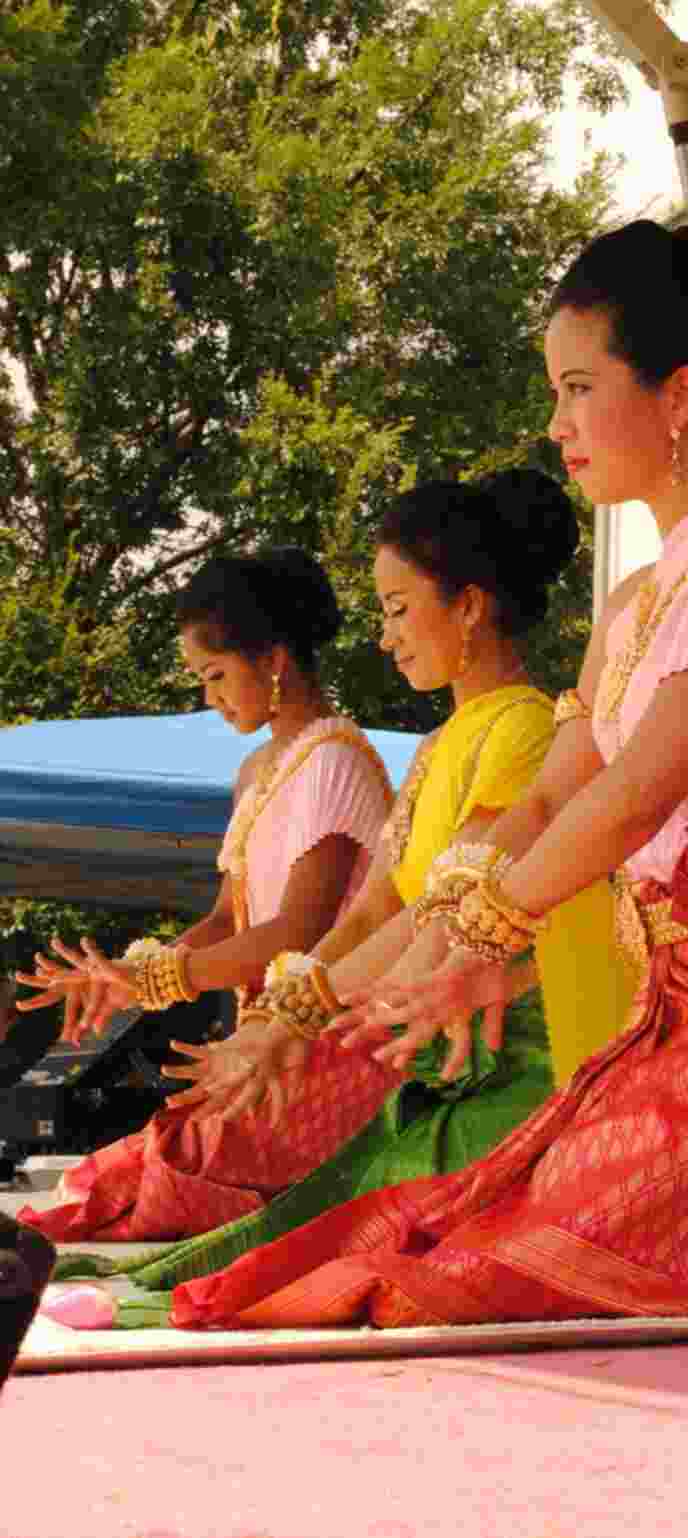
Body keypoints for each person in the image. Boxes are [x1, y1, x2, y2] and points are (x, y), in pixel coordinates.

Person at [152, 219, 688, 1333]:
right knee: (457, 1234)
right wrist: (319, 1002)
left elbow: (631, 799)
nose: (556, 424)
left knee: (475, 1288)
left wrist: (473, 944)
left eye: (577, 387)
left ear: (677, 397)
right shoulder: (632, 604)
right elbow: (546, 803)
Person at [43, 470, 634, 1309]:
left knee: (344, 1252)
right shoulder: (437, 747)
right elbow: (375, 910)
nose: (387, 637)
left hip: (525, 1063)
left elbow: (433, 920)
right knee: (285, 1227)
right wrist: (282, 1015)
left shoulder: (525, 732)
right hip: (425, 1054)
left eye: (397, 609)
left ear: (467, 605)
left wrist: (292, 1016)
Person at [16, 548, 397, 1241]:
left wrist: (157, 976)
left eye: (216, 675)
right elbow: (228, 918)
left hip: (333, 1039)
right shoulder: (260, 769)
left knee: (164, 1182)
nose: (210, 698)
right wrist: (125, 976)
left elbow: (297, 931)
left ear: (273, 659)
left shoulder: (335, 761)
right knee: (108, 1183)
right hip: (262, 1040)